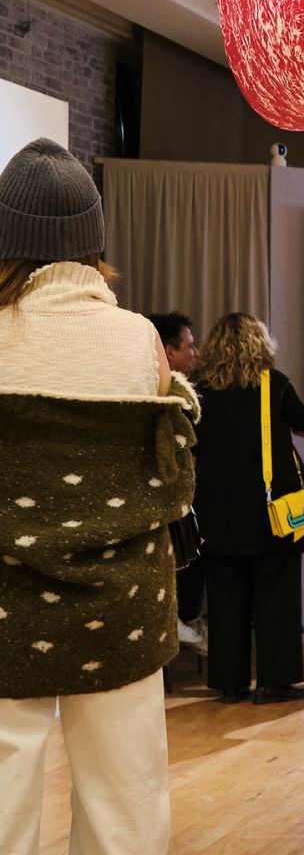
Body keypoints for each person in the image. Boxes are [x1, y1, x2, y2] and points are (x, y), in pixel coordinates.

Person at [0, 138, 196, 855]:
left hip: (3, 599)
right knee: (125, 799)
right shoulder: (140, 338)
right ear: (93, 240)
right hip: (123, 602)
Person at [191, 313, 304, 704]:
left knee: (225, 600)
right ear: (260, 345)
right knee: (276, 597)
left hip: (216, 514)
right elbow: (302, 421)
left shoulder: (198, 392)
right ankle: (274, 682)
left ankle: (229, 684)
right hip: (269, 514)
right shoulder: (274, 385)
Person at [149, 311, 208, 651]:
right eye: (190, 346)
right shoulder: (167, 397)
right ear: (169, 352)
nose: (195, 353)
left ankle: (184, 617)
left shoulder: (184, 393)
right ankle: (178, 617)